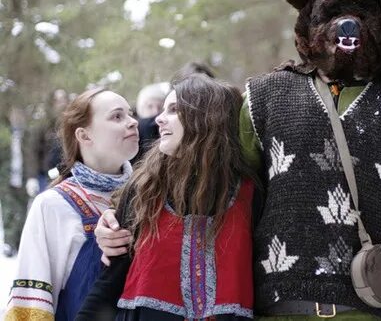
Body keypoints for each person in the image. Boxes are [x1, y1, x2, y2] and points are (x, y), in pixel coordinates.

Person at [94, 0, 381, 320]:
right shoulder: (265, 95)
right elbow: (206, 168)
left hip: (371, 305)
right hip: (277, 305)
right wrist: (118, 214)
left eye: (363, 17)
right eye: (331, 16)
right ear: (308, 25)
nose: (347, 28)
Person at [77, 74, 258, 320]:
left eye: (173, 110)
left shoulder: (249, 193)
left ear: (206, 117)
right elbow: (109, 284)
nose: (159, 119)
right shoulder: (145, 189)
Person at [5, 88, 138, 321]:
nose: (133, 122)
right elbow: (31, 302)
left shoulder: (150, 198)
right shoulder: (52, 205)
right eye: (117, 116)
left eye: (130, 114)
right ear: (84, 136)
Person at [131, 82, 169, 165]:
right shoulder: (131, 131)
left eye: (159, 107)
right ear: (140, 108)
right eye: (150, 106)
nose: (155, 111)